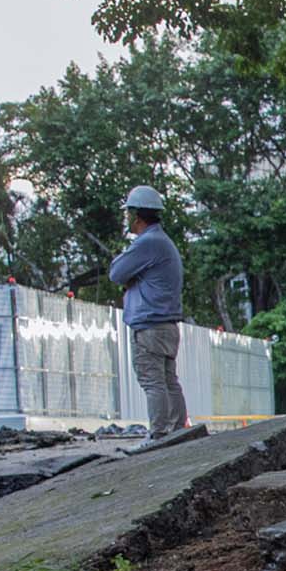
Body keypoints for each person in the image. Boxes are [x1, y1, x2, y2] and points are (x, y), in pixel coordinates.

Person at [108, 184, 190, 445]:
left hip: (150, 327)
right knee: (168, 380)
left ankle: (159, 434)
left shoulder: (148, 243)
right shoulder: (162, 242)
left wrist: (131, 280)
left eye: (128, 213)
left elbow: (116, 273)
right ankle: (178, 431)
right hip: (165, 325)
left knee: (153, 381)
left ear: (136, 215)